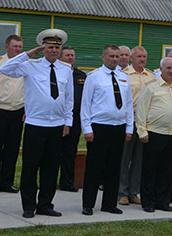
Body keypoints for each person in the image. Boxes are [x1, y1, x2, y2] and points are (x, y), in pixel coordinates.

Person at [0, 29, 73, 218]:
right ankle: (29, 206)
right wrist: (28, 54)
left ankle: (45, 204)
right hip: (36, 124)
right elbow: (5, 69)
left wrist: (68, 121)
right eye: (50, 47)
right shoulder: (30, 65)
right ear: (43, 48)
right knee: (31, 167)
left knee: (51, 167)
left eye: (57, 47)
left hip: (56, 125)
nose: (54, 50)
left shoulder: (66, 69)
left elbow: (69, 99)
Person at [80, 45, 134, 216]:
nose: (115, 59)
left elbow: (129, 104)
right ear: (103, 57)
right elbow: (85, 105)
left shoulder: (124, 77)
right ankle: (88, 204)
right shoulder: (94, 77)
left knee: (114, 168)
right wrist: (87, 128)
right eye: (111, 56)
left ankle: (109, 204)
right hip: (99, 127)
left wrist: (129, 127)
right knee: (94, 168)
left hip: (118, 128)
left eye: (117, 56)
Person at [136, 57, 172, 212]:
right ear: (161, 69)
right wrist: (142, 131)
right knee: (150, 169)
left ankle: (163, 200)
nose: (171, 71)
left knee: (167, 170)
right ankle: (148, 202)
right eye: (168, 68)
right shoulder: (151, 87)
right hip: (154, 133)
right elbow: (141, 109)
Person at [0, 34, 24, 194]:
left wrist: (27, 110)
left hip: (18, 111)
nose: (18, 49)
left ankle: (7, 182)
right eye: (15, 46)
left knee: (12, 149)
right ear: (6, 47)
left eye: (20, 47)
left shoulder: (25, 64)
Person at [118, 45, 154, 206]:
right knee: (124, 158)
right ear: (131, 58)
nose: (142, 59)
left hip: (144, 123)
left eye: (144, 57)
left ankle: (134, 192)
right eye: (139, 57)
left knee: (140, 159)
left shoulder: (151, 76)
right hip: (128, 121)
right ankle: (122, 192)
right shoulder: (123, 75)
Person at [58, 46, 86, 192]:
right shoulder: (57, 73)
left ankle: (67, 182)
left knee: (70, 152)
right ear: (60, 57)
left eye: (72, 55)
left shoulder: (81, 75)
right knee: (55, 152)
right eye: (67, 55)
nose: (70, 57)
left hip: (75, 119)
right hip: (57, 118)